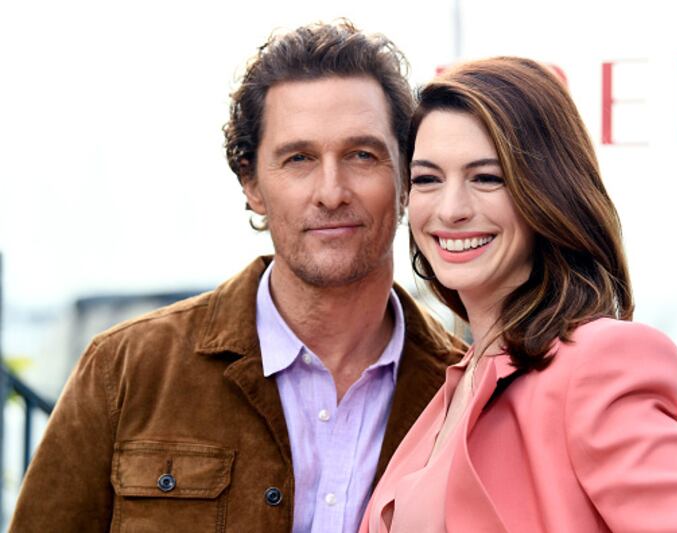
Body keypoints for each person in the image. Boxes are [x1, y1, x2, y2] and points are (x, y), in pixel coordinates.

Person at [10, 21, 464, 533]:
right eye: (298, 159)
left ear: (405, 176)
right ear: (251, 182)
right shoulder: (126, 371)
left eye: (362, 155)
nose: (331, 192)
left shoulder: (465, 391)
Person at [361, 57, 677, 532]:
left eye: (487, 177)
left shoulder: (596, 364)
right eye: (428, 179)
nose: (451, 209)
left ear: (547, 191)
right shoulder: (457, 380)